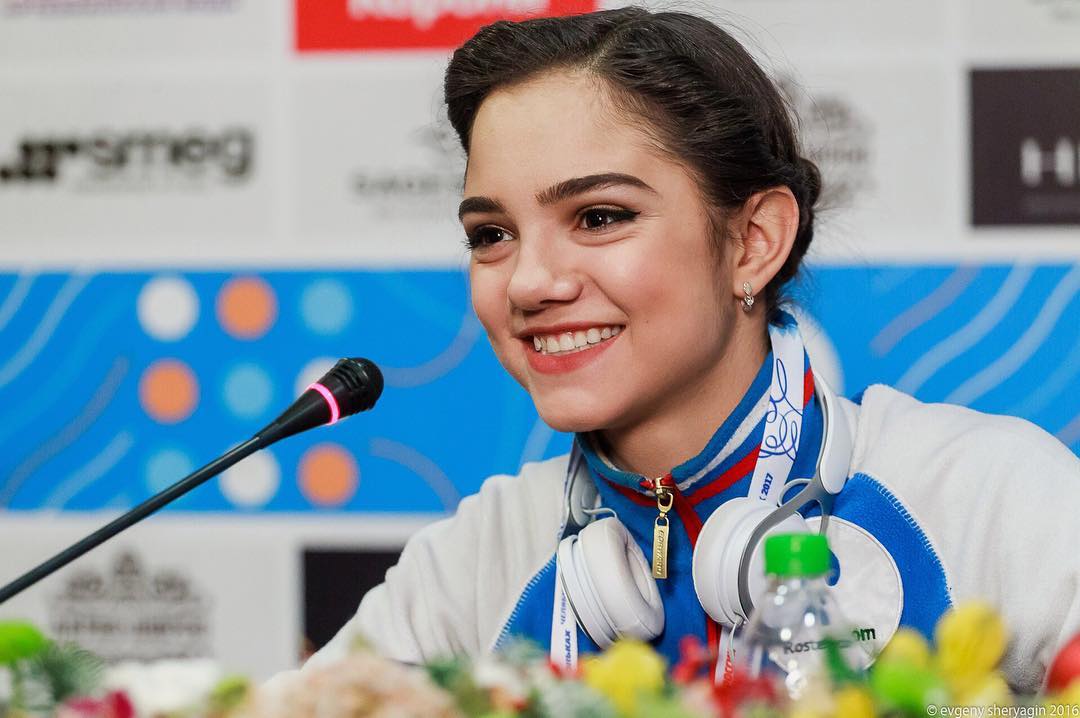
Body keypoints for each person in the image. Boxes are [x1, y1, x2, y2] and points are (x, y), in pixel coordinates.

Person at [300, 8, 1080, 692]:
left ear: (752, 242)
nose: (529, 282)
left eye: (599, 217)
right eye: (491, 235)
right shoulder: (476, 556)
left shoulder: (985, 495)